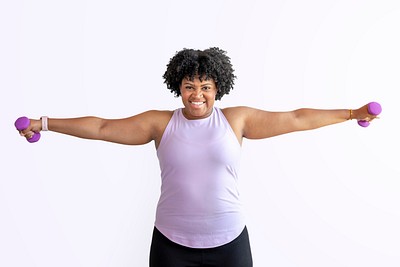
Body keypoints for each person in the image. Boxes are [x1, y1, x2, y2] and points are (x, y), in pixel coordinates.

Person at [18, 47, 379, 267]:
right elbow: (101, 127)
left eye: (205, 86)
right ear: (179, 87)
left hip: (230, 244)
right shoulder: (160, 124)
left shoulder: (235, 120)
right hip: (171, 246)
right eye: (189, 86)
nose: (197, 94)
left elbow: (296, 119)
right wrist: (43, 123)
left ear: (217, 88)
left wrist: (352, 113)